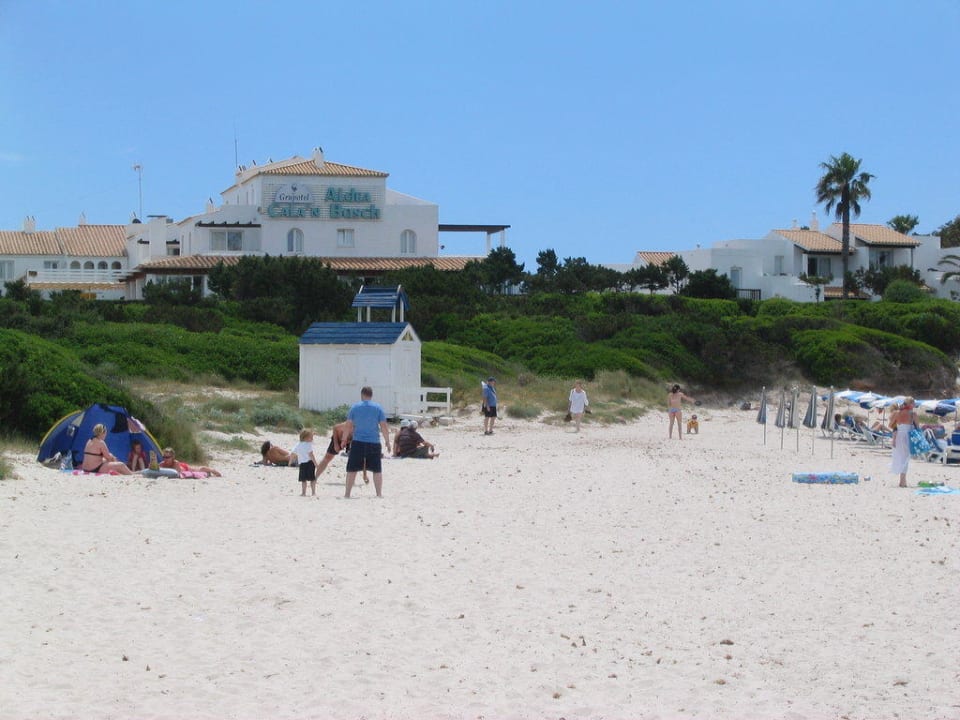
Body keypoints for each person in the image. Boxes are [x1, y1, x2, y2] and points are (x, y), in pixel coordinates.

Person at [344, 386, 391, 498]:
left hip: (358, 441)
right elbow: (383, 426)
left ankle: (347, 494)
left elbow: (348, 425)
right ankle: (378, 494)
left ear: (362, 395)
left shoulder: (355, 407)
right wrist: (387, 441)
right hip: (374, 442)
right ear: (371, 395)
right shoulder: (378, 408)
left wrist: (343, 439)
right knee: (376, 469)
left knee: (352, 469)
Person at [889, 397, 917, 488]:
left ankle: (902, 480)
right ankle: (903, 481)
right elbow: (918, 427)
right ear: (910, 404)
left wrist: (899, 425)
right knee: (905, 458)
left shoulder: (897, 413)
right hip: (907, 437)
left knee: (900, 457)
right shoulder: (913, 414)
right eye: (914, 403)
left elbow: (890, 425)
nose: (915, 405)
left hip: (899, 436)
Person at [290, 429, 319, 497]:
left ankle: (303, 493)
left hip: (302, 464)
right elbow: (311, 455)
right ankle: (313, 492)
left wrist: (290, 461)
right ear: (306, 438)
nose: (312, 439)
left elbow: (293, 453)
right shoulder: (308, 444)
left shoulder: (298, 444)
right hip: (310, 463)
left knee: (303, 479)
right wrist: (315, 463)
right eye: (311, 437)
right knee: (312, 479)